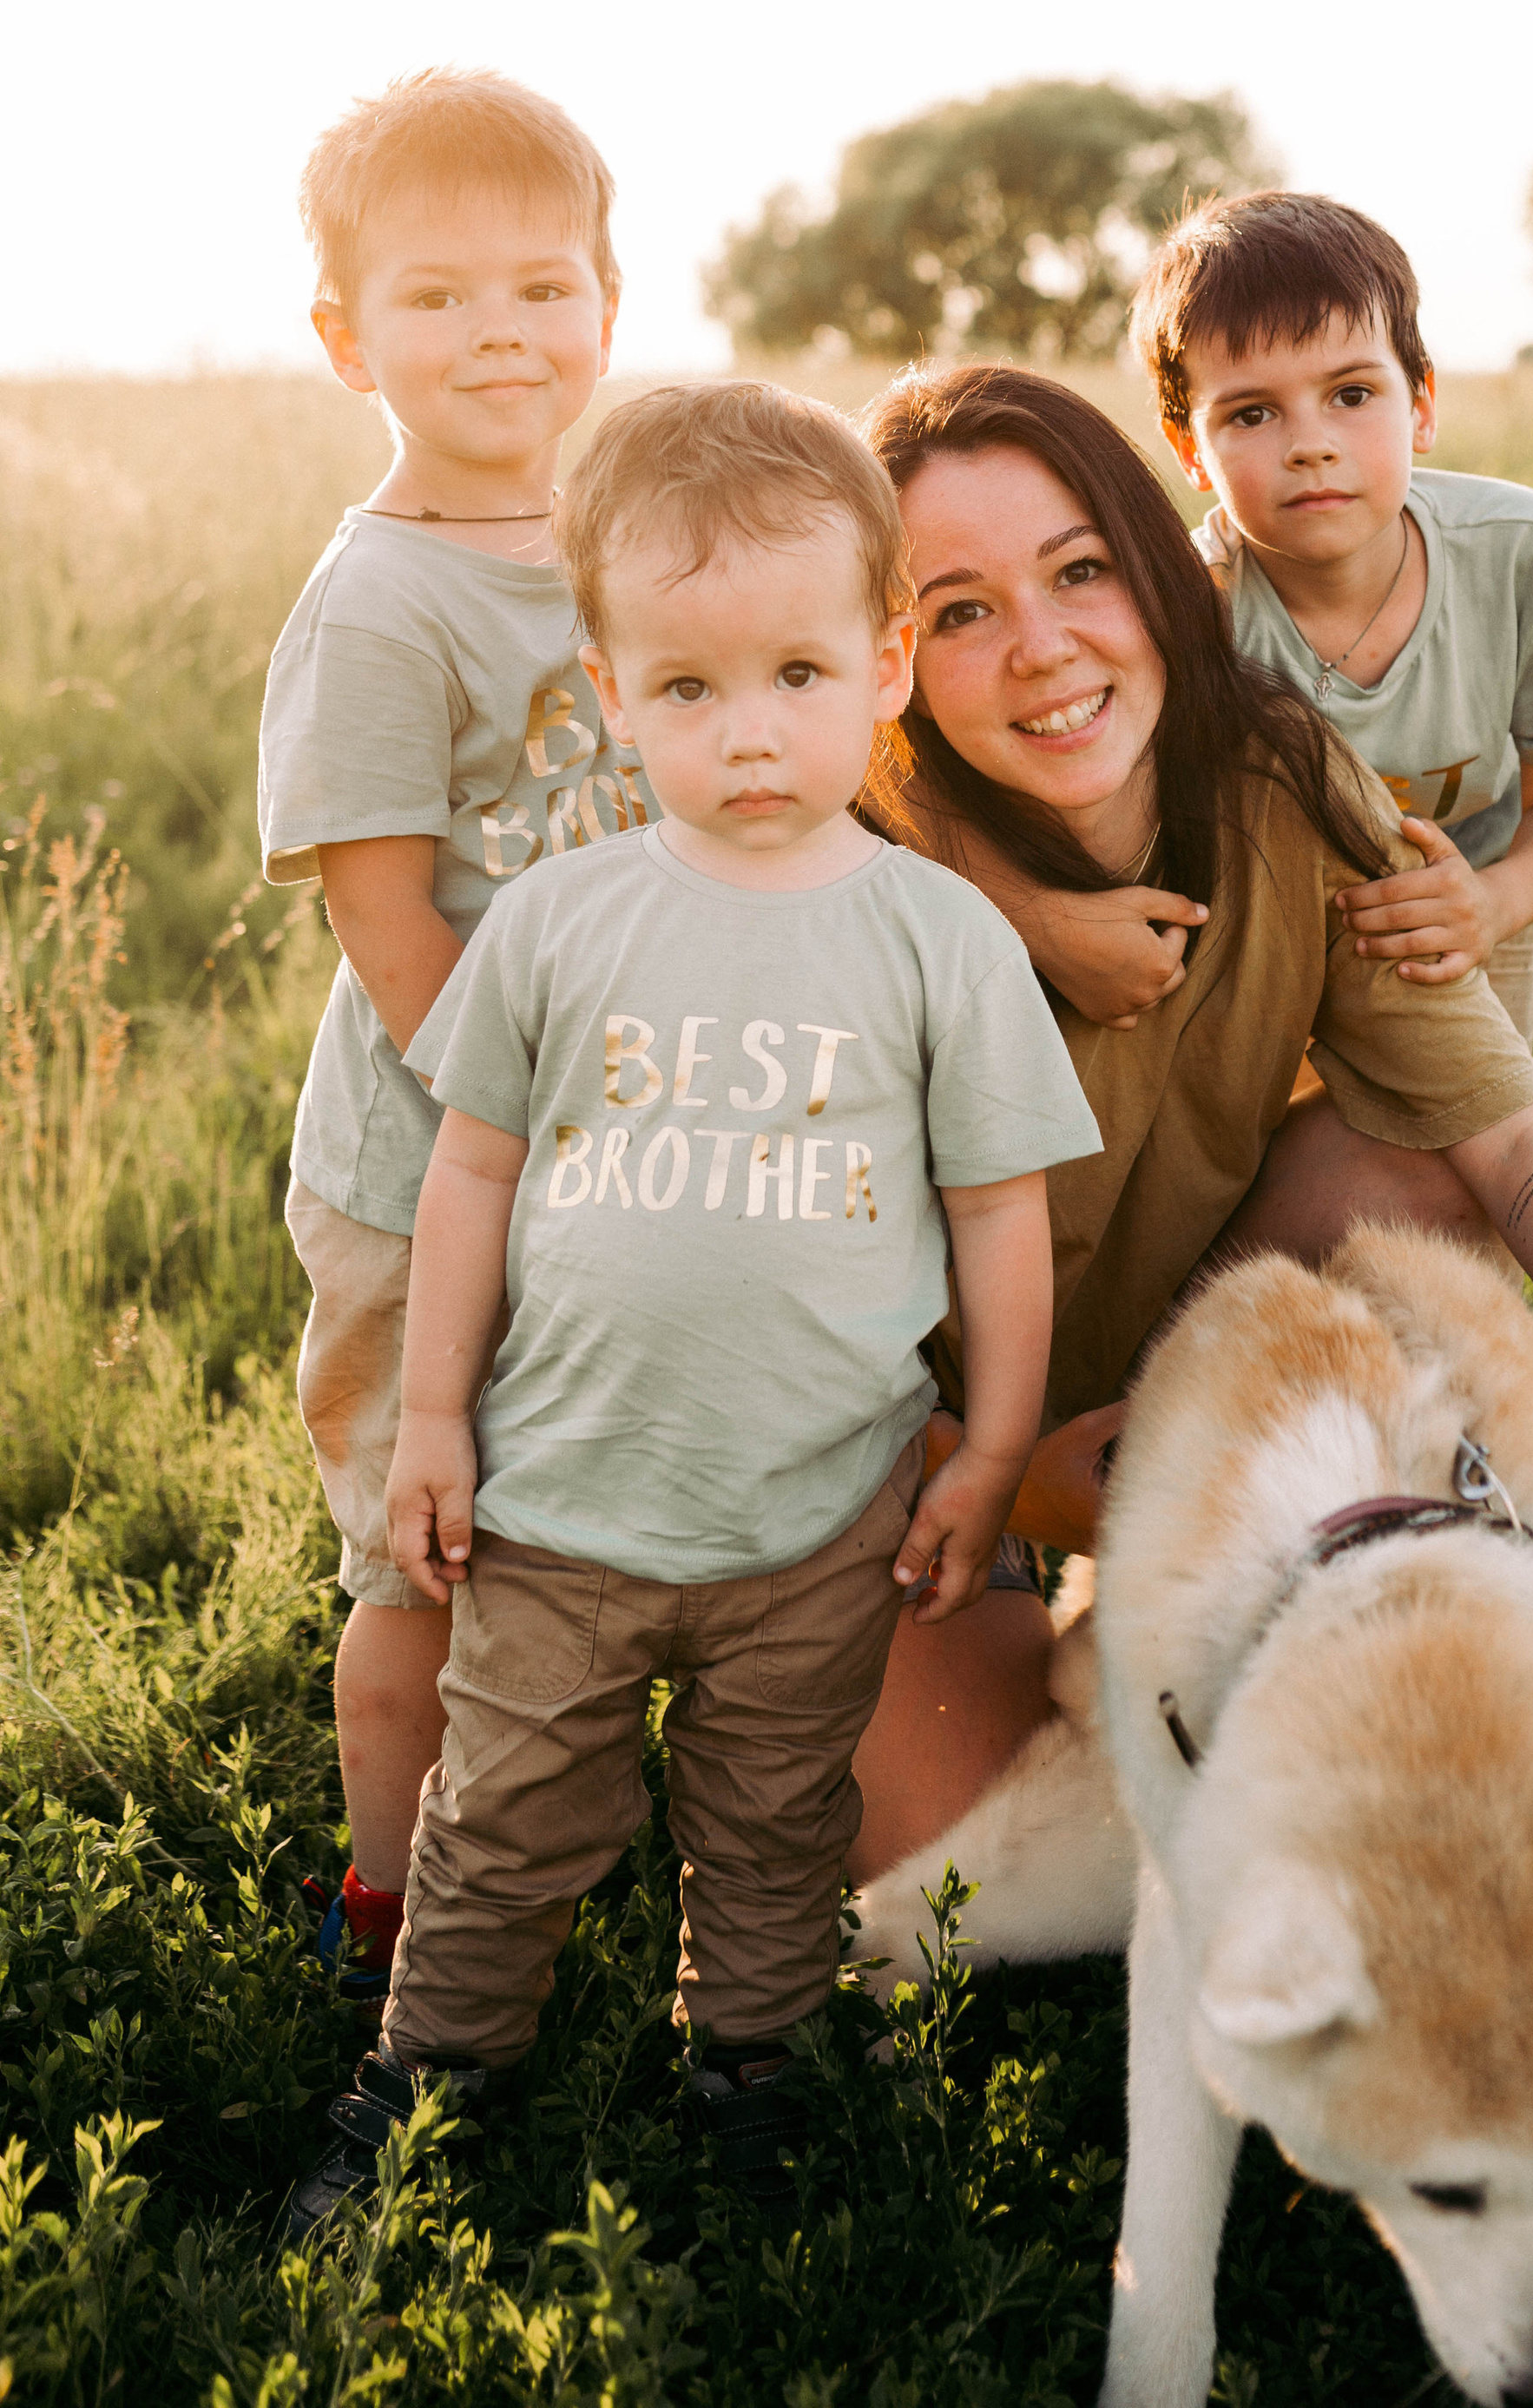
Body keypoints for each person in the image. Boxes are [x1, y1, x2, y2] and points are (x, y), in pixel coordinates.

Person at [286, 382, 1099, 2232]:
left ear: (886, 663)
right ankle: (430, 2085)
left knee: (772, 1821)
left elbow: (999, 1213)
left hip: (815, 1518)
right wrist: (433, 1419)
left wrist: (989, 1452)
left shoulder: (935, 937)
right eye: (688, 687)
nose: (749, 732)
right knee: (501, 1822)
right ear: (609, 688)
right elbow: (471, 1179)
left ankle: (748, 2071)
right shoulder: (559, 923)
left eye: (799, 674)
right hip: (562, 1501)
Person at [847, 363, 1533, 1885]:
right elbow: (755, 1334)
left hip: (1172, 1367)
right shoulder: (833, 869)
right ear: (887, 660)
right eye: (961, 611)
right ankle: (1127, 1593)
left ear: (1159, 571)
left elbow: (1507, 1133)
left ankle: (1263, 1540)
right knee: (953, 1882)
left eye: (1080, 572)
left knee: (1422, 1162)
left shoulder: (1283, 776)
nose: (1044, 647)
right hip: (906, 1452)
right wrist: (992, 1473)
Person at [259, 67, 651, 2001]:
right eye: (437, 295)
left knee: (590, 1509)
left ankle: (581, 1839)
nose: (501, 330)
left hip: (627, 1145)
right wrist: (532, 1136)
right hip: (433, 1171)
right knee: (429, 1553)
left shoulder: (627, 542)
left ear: (607, 308)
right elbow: (391, 923)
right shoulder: (379, 600)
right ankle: (393, 1908)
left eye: (541, 285)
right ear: (349, 341)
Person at [1125, 187, 1533, 1048]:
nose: (1310, 444)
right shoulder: (1188, 606)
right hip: (1259, 924)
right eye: (1252, 413)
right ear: (1189, 446)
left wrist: (1491, 905)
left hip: (1468, 896)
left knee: (1475, 1115)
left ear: (1421, 404)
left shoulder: (1525, 554)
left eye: (1351, 393)